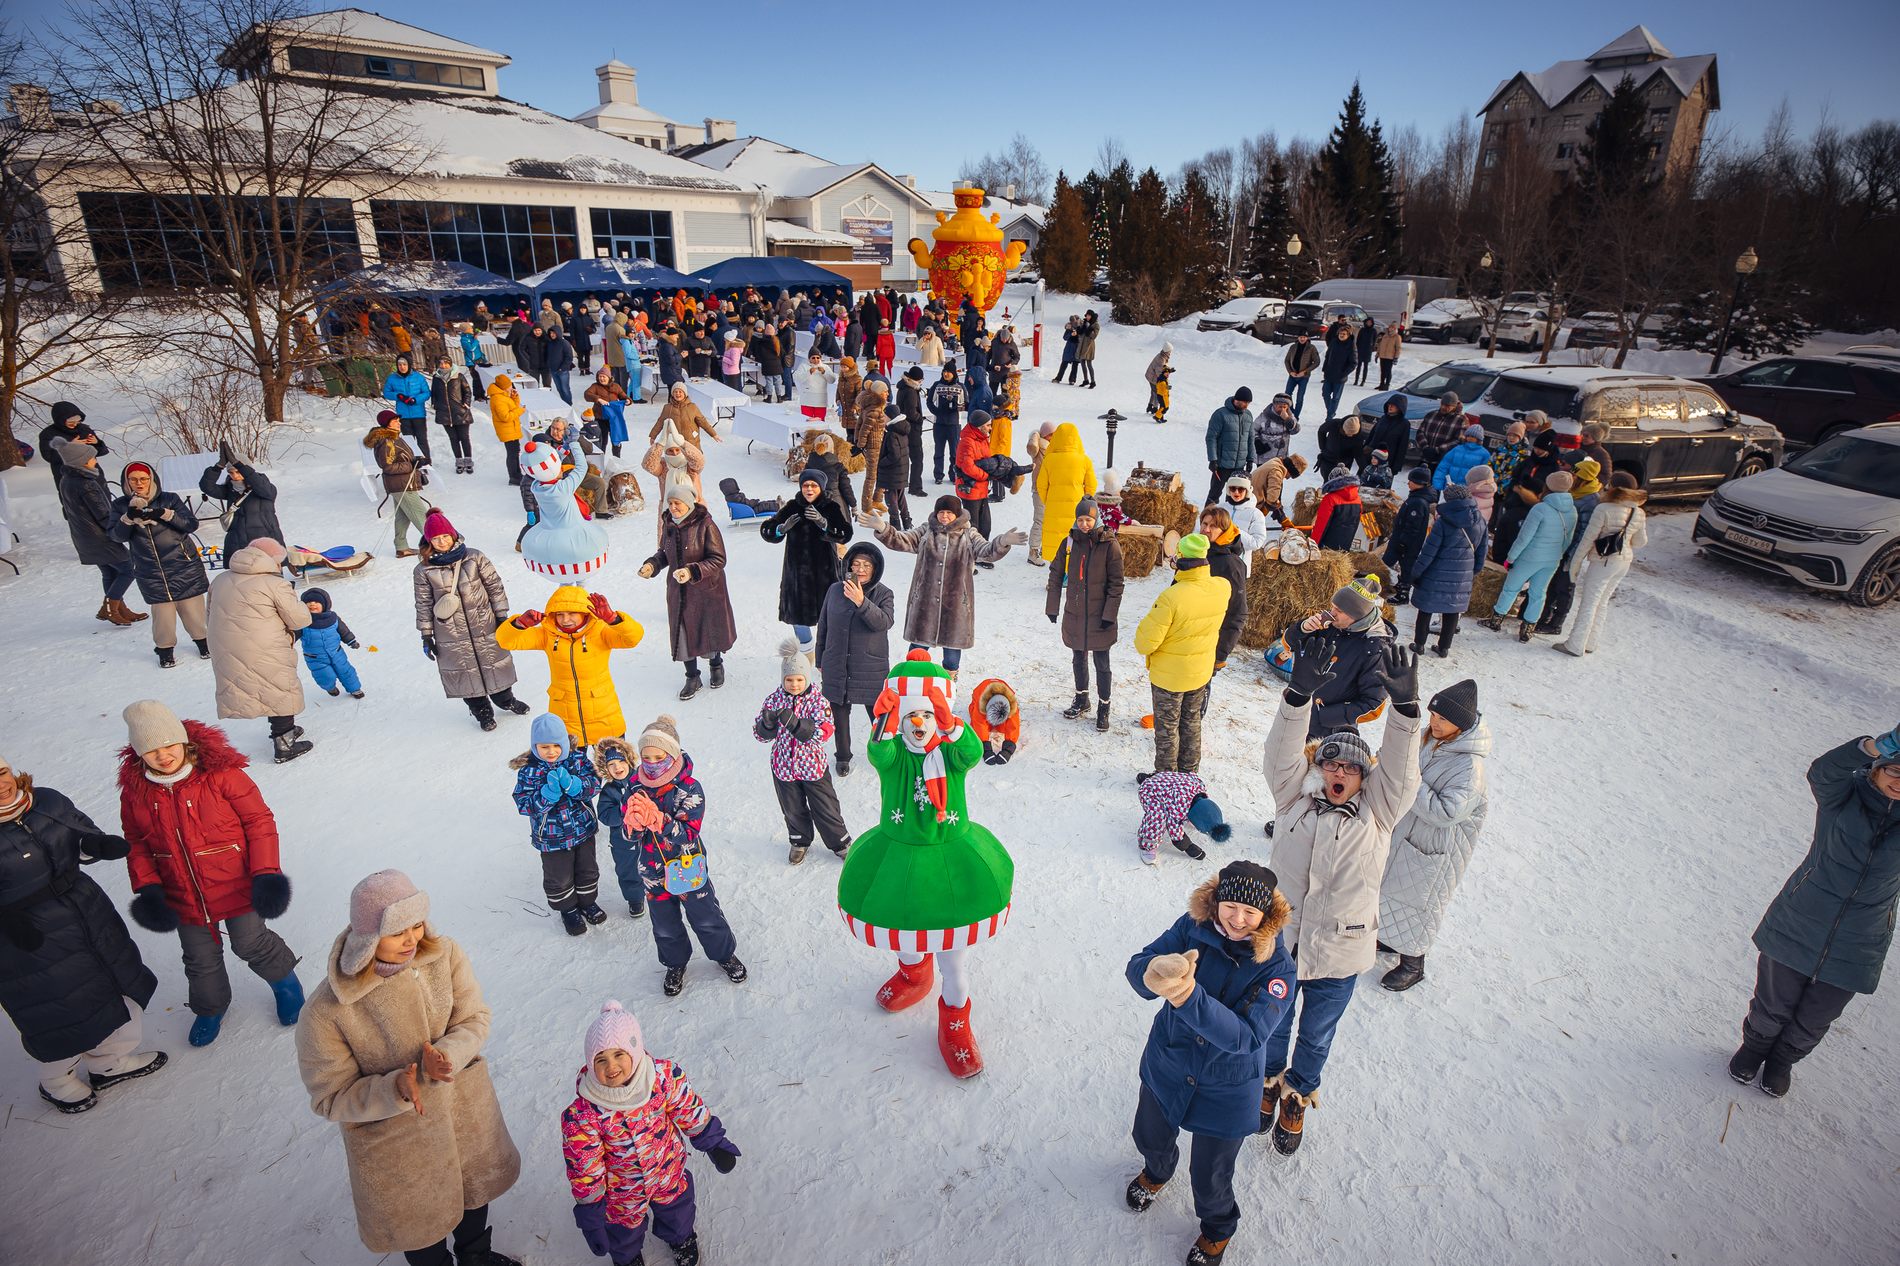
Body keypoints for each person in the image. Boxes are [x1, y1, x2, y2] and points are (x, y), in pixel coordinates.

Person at [296, 870, 523, 1266]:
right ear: (367, 936)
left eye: (417, 924)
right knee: (420, 1224)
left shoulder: (444, 955)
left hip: (462, 1110)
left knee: (473, 1191)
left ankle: (476, 1255)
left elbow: (474, 1018)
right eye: (397, 931)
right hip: (399, 1144)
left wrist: (447, 1054)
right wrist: (396, 1088)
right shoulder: (327, 1011)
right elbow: (330, 1097)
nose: (411, 939)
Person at [1259, 636, 1420, 1154]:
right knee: (1273, 1024)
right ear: (1319, 768)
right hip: (1281, 945)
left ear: (1363, 777)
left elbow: (1400, 769)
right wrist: (1297, 696)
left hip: (1342, 951)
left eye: (1350, 768)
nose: (1339, 773)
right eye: (1331, 764)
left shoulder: (1380, 812)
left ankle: (1296, 1098)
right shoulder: (1292, 801)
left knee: (1316, 1036)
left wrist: (1406, 712)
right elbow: (1279, 755)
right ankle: (1266, 1087)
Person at [837, 652, 1015, 1078]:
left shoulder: (950, 754)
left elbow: (971, 752)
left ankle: (955, 1022)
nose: (919, 724)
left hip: (952, 861)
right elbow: (877, 754)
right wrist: (880, 722)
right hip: (899, 859)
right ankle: (914, 973)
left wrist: (953, 723)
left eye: (927, 714)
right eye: (910, 716)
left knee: (954, 960)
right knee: (905, 929)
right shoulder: (897, 755)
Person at [1124, 861, 1294, 1266]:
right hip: (1169, 1060)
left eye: (1250, 912)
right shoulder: (1191, 926)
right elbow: (1140, 963)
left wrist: (1185, 997)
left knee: (1211, 1177)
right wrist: (1153, 972)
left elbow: (1247, 1036)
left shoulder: (1278, 969)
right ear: (1216, 901)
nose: (1238, 918)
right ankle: (1158, 1171)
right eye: (1230, 905)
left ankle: (1217, 1229)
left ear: (1266, 916)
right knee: (1150, 1134)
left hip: (1227, 1087)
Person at [118, 699, 303, 1047]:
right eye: (152, 750)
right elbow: (136, 842)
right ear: (139, 753)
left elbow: (258, 821)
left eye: (170, 744)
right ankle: (210, 1007)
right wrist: (149, 888)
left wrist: (265, 872)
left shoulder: (220, 775)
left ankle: (286, 984)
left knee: (252, 943)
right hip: (180, 889)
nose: (163, 755)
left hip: (235, 880)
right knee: (200, 958)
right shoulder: (136, 792)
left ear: (184, 740)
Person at [1730, 727, 1900, 1098]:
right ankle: (1754, 1047)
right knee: (1773, 1001)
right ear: (1877, 768)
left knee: (1816, 1017)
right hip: (1802, 917)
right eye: (1895, 770)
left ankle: (1783, 1061)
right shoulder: (1844, 796)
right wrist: (1873, 746)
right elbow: (1823, 771)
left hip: (1862, 939)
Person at [0, 756, 166, 1113]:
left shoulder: (46, 801)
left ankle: (110, 1063)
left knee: (115, 984)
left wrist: (93, 845)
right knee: (57, 1011)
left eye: (1, 774)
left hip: (86, 911)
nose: (1, 785)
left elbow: (76, 833)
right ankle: (56, 1081)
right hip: (26, 937)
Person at [562, 1001, 738, 1266]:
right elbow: (585, 1167)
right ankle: (627, 1257)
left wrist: (713, 1142)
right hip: (621, 1190)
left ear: (634, 1050)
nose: (611, 1067)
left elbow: (688, 1109)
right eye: (601, 1059)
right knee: (622, 1230)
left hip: (667, 1169)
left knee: (677, 1210)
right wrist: (591, 1215)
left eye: (619, 1054)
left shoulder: (662, 1078)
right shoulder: (584, 1114)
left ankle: (681, 1238)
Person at [620, 714, 747, 995]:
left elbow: (689, 832)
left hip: (687, 867)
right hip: (652, 870)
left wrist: (659, 820)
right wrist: (633, 824)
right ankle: (675, 962)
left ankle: (724, 954)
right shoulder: (634, 786)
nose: (652, 764)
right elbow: (628, 836)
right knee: (664, 923)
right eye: (646, 757)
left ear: (673, 754)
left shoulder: (689, 788)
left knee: (705, 916)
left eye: (658, 756)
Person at [1376, 680, 1489, 991]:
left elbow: (1448, 812)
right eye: (1433, 716)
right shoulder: (1433, 739)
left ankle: (1414, 963)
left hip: (1436, 849)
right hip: (1408, 832)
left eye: (1442, 719)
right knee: (1389, 888)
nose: (1435, 723)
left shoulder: (1469, 767)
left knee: (1419, 903)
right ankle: (1388, 938)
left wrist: (1408, 782)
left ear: (1461, 724)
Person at [873, 496, 1026, 677]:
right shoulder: (926, 531)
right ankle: (911, 687)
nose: (944, 516)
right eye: (941, 512)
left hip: (955, 607)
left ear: (957, 514)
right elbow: (902, 540)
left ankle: (947, 690)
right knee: (916, 653)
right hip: (924, 604)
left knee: (951, 658)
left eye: (949, 513)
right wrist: (883, 529)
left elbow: (987, 551)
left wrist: (1002, 541)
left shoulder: (968, 535)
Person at [413, 511, 529, 730]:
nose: (442, 542)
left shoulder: (474, 557)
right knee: (465, 674)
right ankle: (482, 711)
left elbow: (495, 587)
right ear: (429, 542)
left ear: (453, 535)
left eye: (445, 536)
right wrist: (426, 634)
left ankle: (506, 701)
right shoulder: (423, 570)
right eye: (436, 539)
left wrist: (501, 615)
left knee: (495, 664)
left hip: (485, 623)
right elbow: (424, 603)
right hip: (449, 632)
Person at [207, 537, 315, 761]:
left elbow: (208, 613)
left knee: (261, 686)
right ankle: (284, 744)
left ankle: (282, 731)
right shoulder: (274, 584)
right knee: (278, 687)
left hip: (225, 645)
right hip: (266, 644)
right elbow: (299, 620)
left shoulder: (220, 579)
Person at [496, 586, 643, 747]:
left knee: (614, 767)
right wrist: (519, 624)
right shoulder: (547, 635)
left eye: (572, 613)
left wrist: (613, 619)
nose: (566, 620)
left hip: (604, 714)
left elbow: (633, 638)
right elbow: (506, 641)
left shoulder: (601, 632)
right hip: (565, 717)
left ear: (585, 612)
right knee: (572, 770)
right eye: (560, 614)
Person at [1133, 534, 1229, 775]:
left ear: (1182, 561)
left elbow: (1145, 642)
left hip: (1170, 678)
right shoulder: (1221, 587)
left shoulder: (1171, 598)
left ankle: (1166, 780)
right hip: (1200, 671)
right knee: (1191, 722)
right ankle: (1189, 775)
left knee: (1167, 729)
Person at [755, 640, 851, 864]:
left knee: (825, 806)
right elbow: (759, 735)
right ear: (783, 679)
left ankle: (840, 842)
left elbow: (825, 732)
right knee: (792, 807)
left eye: (799, 679)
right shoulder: (773, 700)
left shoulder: (818, 701)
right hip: (783, 767)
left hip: (812, 766)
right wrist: (766, 725)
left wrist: (798, 725)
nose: (795, 684)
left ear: (807, 678)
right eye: (789, 680)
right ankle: (799, 840)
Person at [640, 481, 737, 701]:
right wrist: (652, 565)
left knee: (709, 629)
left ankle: (716, 665)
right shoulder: (669, 524)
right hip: (679, 590)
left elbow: (718, 559)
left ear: (689, 503)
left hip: (707, 589)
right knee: (682, 633)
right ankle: (692, 676)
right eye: (671, 503)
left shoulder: (706, 524)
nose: (673, 507)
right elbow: (665, 553)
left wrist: (693, 571)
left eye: (678, 503)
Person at [513, 714, 607, 936]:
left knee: (587, 870)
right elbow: (524, 805)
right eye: (544, 746)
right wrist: (547, 794)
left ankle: (587, 902)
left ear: (565, 742)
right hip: (551, 838)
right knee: (559, 876)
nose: (551, 751)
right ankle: (568, 909)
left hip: (582, 830)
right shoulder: (529, 770)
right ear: (535, 746)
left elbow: (594, 785)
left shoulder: (577, 760)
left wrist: (575, 785)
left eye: (557, 745)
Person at [110, 460, 210, 666]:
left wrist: (165, 513)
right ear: (126, 481)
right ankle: (165, 651)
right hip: (150, 568)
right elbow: (115, 536)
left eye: (144, 479)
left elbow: (190, 524)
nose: (139, 483)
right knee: (162, 615)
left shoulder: (169, 499)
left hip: (182, 563)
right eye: (134, 479)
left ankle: (204, 643)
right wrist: (127, 519)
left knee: (193, 610)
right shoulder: (120, 505)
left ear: (152, 479)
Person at [815, 542, 894, 777]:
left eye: (866, 565)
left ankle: (884, 753)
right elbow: (824, 625)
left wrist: (862, 602)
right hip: (836, 663)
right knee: (839, 713)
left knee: (878, 715)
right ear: (847, 565)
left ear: (875, 568)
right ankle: (843, 756)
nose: (860, 569)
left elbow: (884, 622)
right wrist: (820, 657)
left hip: (870, 666)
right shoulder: (834, 590)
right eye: (856, 564)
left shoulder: (883, 593)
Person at [1280, 576, 1393, 738]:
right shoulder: (1331, 624)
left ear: (1358, 614)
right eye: (1332, 607)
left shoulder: (1375, 648)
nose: (1332, 614)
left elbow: (1374, 704)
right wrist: (1303, 628)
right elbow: (1288, 646)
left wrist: (1323, 716)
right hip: (1297, 712)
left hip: (1330, 732)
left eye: (1339, 611)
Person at [1047, 498, 1123, 731]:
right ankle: (1082, 698)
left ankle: (1104, 705)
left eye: (1088, 519)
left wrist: (1110, 614)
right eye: (1080, 519)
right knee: (1078, 658)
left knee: (1102, 663)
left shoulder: (1110, 545)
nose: (1084, 524)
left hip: (1101, 617)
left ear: (1096, 519)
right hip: (1076, 613)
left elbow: (1116, 584)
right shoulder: (1069, 543)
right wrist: (1052, 607)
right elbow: (1055, 574)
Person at [1551, 470, 1646, 656]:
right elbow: (1640, 542)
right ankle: (1591, 642)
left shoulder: (1604, 509)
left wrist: (1574, 565)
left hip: (1602, 561)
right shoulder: (1638, 511)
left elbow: (1587, 539)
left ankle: (1575, 644)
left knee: (1589, 602)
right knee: (1602, 602)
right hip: (1623, 561)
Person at [1480, 470, 1577, 641]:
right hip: (1552, 559)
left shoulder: (1540, 508)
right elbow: (1568, 538)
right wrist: (1558, 554)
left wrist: (1510, 558)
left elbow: (1524, 537)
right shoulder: (1572, 510)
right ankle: (1527, 630)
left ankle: (1496, 620)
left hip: (1530, 556)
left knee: (1511, 588)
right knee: (1539, 593)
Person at [760, 468, 851, 648]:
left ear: (822, 488)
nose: (809, 489)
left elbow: (845, 534)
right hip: (797, 576)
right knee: (798, 617)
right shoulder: (793, 507)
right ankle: (806, 652)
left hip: (824, 574)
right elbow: (766, 530)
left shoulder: (830, 507)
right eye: (806, 485)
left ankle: (826, 653)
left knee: (829, 617)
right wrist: (781, 529)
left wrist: (824, 524)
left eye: (814, 485)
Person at [57, 442, 144, 626]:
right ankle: (109, 608)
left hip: (84, 536)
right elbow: (103, 514)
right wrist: (120, 528)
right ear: (80, 462)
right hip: (100, 537)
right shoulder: (86, 483)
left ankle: (120, 609)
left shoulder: (66, 480)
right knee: (129, 569)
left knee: (109, 572)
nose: (94, 460)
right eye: (91, 457)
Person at [1405, 484, 1487, 656]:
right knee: (1452, 612)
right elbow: (1482, 552)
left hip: (1435, 574)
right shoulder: (1480, 520)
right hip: (1462, 576)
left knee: (1426, 609)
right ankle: (1444, 648)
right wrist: (1472, 573)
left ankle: (1419, 644)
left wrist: (1416, 572)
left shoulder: (1443, 522)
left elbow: (1429, 551)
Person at [1532, 457, 1602, 636]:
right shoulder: (1574, 493)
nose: (1571, 478)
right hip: (1560, 547)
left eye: (1575, 475)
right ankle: (1542, 617)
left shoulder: (1591, 500)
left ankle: (1556, 623)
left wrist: (1572, 555)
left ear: (1584, 479)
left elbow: (1584, 532)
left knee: (1565, 587)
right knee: (1552, 583)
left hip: (1572, 551)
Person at [1490, 428, 1567, 561]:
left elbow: (1547, 489)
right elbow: (1516, 476)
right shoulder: (1529, 461)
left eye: (1540, 449)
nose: (1537, 452)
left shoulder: (1553, 467)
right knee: (1503, 528)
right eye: (1536, 448)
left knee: (1516, 536)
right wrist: (1512, 492)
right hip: (1514, 503)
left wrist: (1530, 485)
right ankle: (1498, 558)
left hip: (1531, 508)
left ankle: (1510, 560)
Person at [365, 411, 431, 558]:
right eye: (395, 421)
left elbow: (401, 458)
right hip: (401, 484)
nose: (399, 423)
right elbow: (387, 466)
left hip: (402, 483)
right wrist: (411, 464)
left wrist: (415, 460)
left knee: (403, 516)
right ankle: (434, 546)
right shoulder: (386, 440)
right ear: (387, 423)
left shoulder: (394, 438)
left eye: (398, 420)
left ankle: (401, 547)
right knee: (421, 515)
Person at [1132, 771, 1232, 864]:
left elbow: (1190, 776)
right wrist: (1189, 847)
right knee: (1158, 818)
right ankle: (1147, 846)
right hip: (1150, 791)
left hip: (1165, 779)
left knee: (1179, 806)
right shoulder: (1177, 811)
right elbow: (1175, 833)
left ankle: (1149, 780)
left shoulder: (1200, 788)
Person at [1035, 422, 1098, 563]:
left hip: (1054, 509)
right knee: (1075, 544)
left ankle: (1056, 580)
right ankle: (1072, 578)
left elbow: (1041, 485)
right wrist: (1084, 502)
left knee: (1057, 546)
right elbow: (1091, 485)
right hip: (1077, 510)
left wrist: (1049, 501)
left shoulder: (1049, 460)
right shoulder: (1084, 460)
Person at [197, 450, 285, 549]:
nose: (235, 475)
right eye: (231, 472)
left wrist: (240, 466)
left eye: (238, 471)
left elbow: (264, 489)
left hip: (265, 539)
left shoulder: (264, 487)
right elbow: (206, 487)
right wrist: (218, 467)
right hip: (238, 541)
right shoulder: (229, 489)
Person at [1200, 507, 1249, 674]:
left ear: (1224, 530)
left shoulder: (1231, 564)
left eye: (1213, 526)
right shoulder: (1197, 552)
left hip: (1208, 646)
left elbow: (1238, 611)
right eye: (1204, 523)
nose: (1206, 529)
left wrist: (1220, 655)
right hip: (1184, 640)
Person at [297, 587, 363, 699]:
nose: (312, 604)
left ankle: (355, 689)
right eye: (308, 602)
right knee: (324, 676)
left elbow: (344, 631)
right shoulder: (302, 621)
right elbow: (292, 635)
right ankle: (330, 687)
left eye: (317, 602)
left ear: (325, 604)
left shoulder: (333, 618)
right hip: (315, 658)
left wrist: (351, 641)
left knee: (346, 672)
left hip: (337, 653)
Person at [1383, 467, 1436, 603]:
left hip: (1408, 542)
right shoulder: (1417, 497)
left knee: (1407, 565)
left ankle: (1403, 593)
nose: (1408, 483)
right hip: (1404, 539)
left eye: (1411, 481)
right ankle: (1401, 585)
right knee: (1403, 563)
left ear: (1420, 483)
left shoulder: (1418, 502)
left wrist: (1403, 542)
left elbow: (1413, 527)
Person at [38, 400, 107, 490]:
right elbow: (49, 457)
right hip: (68, 476)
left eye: (77, 422)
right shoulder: (48, 434)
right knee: (75, 502)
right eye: (71, 422)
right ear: (61, 420)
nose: (74, 425)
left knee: (103, 500)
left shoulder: (84, 429)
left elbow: (101, 451)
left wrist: (97, 443)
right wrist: (69, 446)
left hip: (93, 473)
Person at [1204, 388, 1255, 505]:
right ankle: (1206, 521)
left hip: (1239, 466)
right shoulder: (1220, 414)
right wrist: (1213, 459)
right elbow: (1211, 438)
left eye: (1249, 403)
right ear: (1237, 400)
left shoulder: (1248, 415)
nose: (1247, 405)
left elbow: (1251, 438)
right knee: (1214, 495)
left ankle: (1230, 522)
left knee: (1235, 497)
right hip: (1222, 464)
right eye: (1245, 402)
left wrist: (1251, 459)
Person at [953, 409, 997, 538]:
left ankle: (982, 554)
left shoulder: (982, 439)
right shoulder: (968, 441)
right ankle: (972, 555)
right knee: (973, 528)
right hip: (971, 490)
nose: (990, 428)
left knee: (985, 526)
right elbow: (968, 467)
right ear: (980, 425)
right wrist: (986, 476)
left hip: (981, 489)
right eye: (988, 425)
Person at [383, 354, 434, 463]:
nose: (402, 367)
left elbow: (426, 393)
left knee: (422, 439)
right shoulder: (392, 378)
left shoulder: (418, 377)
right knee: (408, 440)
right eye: (400, 364)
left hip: (418, 414)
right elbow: (386, 393)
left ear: (409, 365)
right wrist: (398, 396)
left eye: (404, 364)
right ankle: (412, 462)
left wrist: (415, 400)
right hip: (403, 415)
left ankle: (426, 462)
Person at [431, 356, 476, 474]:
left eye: (446, 363)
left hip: (460, 412)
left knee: (464, 438)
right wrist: (435, 405)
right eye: (441, 363)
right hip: (445, 414)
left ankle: (468, 461)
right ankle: (459, 462)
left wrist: (466, 404)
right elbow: (434, 394)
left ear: (450, 364)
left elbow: (467, 391)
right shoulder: (436, 378)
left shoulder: (458, 376)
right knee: (453, 439)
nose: (443, 365)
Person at [1308, 465, 1364, 553]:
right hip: (1345, 545)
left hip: (1327, 547)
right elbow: (1355, 523)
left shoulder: (1330, 499)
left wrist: (1313, 544)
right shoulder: (1358, 499)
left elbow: (1321, 525)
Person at [927, 363, 966, 486]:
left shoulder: (960, 387)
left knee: (954, 452)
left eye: (949, 372)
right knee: (939, 451)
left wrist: (956, 407)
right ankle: (938, 475)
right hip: (939, 424)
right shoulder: (937, 385)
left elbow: (967, 403)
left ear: (954, 373)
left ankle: (953, 475)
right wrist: (937, 411)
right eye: (944, 371)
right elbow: (929, 401)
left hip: (954, 424)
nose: (946, 374)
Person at [1219, 476, 1269, 564]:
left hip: (1239, 566)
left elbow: (1257, 543)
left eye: (1241, 489)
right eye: (1233, 488)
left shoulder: (1255, 514)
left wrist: (1235, 531)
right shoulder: (1219, 509)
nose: (1236, 492)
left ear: (1247, 491)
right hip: (1216, 564)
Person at [583, 367, 631, 459]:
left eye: (604, 376)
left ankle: (617, 459)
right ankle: (600, 461)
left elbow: (623, 395)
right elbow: (587, 394)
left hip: (614, 418)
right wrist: (598, 399)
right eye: (600, 376)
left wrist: (628, 400)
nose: (602, 378)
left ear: (609, 377)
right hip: (600, 418)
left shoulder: (616, 386)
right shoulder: (595, 386)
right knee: (602, 441)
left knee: (616, 441)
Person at [487, 373, 526, 485]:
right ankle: (514, 477)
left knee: (515, 452)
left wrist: (514, 397)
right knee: (512, 454)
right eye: (509, 385)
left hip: (511, 429)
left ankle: (517, 474)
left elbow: (513, 406)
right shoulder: (498, 399)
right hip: (507, 430)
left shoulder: (503, 395)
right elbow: (506, 417)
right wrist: (521, 411)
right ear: (504, 386)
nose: (511, 387)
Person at [1248, 453, 1308, 526]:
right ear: (1290, 469)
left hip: (1250, 496)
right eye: (1290, 475)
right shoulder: (1277, 472)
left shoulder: (1275, 463)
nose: (1287, 478)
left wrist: (1280, 514)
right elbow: (1272, 498)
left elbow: (1275, 497)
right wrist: (1282, 518)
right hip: (1251, 502)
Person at [1413, 393, 1467, 471]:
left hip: (1443, 461)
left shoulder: (1461, 420)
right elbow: (1420, 432)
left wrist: (1437, 450)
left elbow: (1458, 441)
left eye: (1447, 406)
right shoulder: (1431, 415)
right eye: (1442, 404)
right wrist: (1425, 447)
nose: (1443, 407)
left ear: (1454, 406)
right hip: (1424, 458)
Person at [1434, 423, 1491, 493]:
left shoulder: (1484, 454)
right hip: (1448, 487)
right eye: (1468, 435)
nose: (1470, 438)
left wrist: (1474, 491)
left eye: (1473, 436)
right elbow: (1443, 468)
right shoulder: (1457, 449)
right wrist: (1438, 485)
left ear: (1479, 439)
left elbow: (1483, 476)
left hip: (1467, 492)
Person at [1319, 322, 1356, 422]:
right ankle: (1331, 411)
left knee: (1335, 398)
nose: (1341, 336)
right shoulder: (1334, 342)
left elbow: (1353, 363)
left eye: (1343, 334)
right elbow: (1327, 356)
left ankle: (1329, 417)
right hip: (1329, 374)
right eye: (1340, 334)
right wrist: (1325, 368)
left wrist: (1343, 373)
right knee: (1325, 394)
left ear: (1348, 335)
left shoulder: (1351, 346)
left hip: (1340, 377)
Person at [1251, 393, 1300, 468]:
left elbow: (1295, 430)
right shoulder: (1265, 416)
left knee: (1276, 479)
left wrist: (1287, 419)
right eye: (1280, 407)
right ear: (1274, 405)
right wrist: (1257, 441)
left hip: (1280, 459)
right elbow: (1253, 429)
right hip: (1264, 458)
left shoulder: (1289, 416)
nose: (1282, 409)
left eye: (1285, 407)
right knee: (1263, 478)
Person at [1282, 333, 1319, 417]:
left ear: (1307, 338)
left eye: (1304, 337)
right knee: (1287, 395)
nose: (1302, 339)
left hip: (1304, 377)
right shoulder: (1293, 347)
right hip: (1293, 375)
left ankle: (1296, 416)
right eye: (1301, 337)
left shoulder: (1311, 348)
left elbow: (1317, 362)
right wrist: (1290, 372)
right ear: (1298, 337)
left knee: (1300, 397)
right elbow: (1286, 360)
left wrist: (1305, 371)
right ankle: (1291, 412)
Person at [794, 351, 835, 423]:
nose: (816, 360)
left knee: (820, 422)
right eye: (813, 358)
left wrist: (824, 372)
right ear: (809, 358)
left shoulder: (825, 367)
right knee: (805, 421)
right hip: (807, 399)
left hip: (820, 400)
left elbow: (832, 380)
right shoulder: (803, 366)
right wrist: (808, 372)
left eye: (818, 358)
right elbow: (797, 379)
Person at [1145, 343, 1173, 423]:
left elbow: (1163, 368)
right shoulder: (1161, 359)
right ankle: (1155, 409)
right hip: (1153, 378)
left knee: (1153, 393)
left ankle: (1150, 406)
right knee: (1157, 394)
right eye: (1170, 351)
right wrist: (1166, 382)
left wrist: (1169, 370)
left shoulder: (1162, 355)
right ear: (1167, 351)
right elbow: (1160, 373)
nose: (1170, 353)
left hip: (1150, 376)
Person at [1375, 321, 1403, 390]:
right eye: (1390, 327)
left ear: (1395, 329)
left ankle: (1387, 384)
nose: (1390, 329)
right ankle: (1381, 384)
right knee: (1382, 371)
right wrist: (1377, 354)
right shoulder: (1385, 336)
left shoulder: (1397, 337)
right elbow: (1380, 346)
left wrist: (1396, 357)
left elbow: (1398, 348)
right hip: (1383, 356)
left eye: (1392, 328)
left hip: (1390, 357)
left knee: (1388, 371)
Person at [1075, 311, 1099, 388]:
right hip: (1082, 344)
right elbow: (1080, 333)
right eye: (1086, 315)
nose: (1087, 317)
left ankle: (1093, 382)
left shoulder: (1096, 324)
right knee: (1082, 362)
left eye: (1088, 315)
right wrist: (1079, 325)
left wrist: (1089, 328)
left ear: (1091, 316)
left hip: (1089, 346)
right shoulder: (1085, 323)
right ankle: (1086, 380)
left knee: (1089, 364)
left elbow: (1094, 336)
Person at [1055, 314, 1080, 384]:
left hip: (1077, 348)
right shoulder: (1069, 328)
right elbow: (1065, 337)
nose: (1074, 323)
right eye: (1072, 321)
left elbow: (1083, 337)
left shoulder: (1081, 328)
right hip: (1069, 348)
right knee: (1064, 363)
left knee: (1075, 364)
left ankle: (1072, 380)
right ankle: (1058, 378)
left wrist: (1077, 335)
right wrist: (1070, 334)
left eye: (1075, 321)